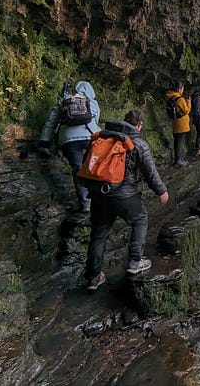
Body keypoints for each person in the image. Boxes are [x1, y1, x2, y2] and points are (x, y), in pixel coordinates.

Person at [84, 109, 169, 291]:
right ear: (139, 125)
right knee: (140, 220)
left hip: (99, 194)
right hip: (124, 195)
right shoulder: (137, 143)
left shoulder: (102, 138)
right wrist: (161, 191)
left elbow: (88, 166)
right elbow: (150, 172)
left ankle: (93, 277)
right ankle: (135, 261)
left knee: (98, 234)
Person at [38, 80, 101, 213]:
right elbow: (95, 121)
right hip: (90, 139)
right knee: (93, 168)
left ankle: (85, 204)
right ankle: (99, 199)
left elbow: (51, 122)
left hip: (68, 141)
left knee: (78, 169)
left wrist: (44, 142)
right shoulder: (93, 103)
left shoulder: (64, 102)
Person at [165, 81, 191, 168]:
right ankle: (178, 160)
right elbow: (186, 110)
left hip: (175, 123)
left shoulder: (171, 97)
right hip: (182, 124)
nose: (183, 91)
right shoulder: (180, 99)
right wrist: (189, 103)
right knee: (179, 143)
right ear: (179, 89)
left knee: (177, 142)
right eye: (182, 89)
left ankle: (179, 159)